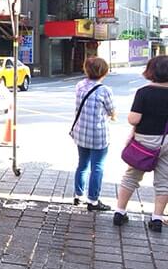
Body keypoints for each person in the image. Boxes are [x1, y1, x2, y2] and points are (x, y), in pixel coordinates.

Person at [114, 55, 168, 232]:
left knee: (132, 176)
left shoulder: (144, 92)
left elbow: (134, 119)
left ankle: (120, 213)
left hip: (144, 141)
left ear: (151, 71)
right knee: (164, 181)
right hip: (166, 141)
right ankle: (157, 219)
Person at [71, 56, 116, 211]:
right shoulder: (105, 90)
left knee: (82, 164)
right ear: (104, 72)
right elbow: (111, 111)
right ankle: (93, 201)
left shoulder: (79, 85)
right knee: (97, 167)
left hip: (81, 133)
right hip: (98, 136)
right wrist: (112, 116)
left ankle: (78, 196)